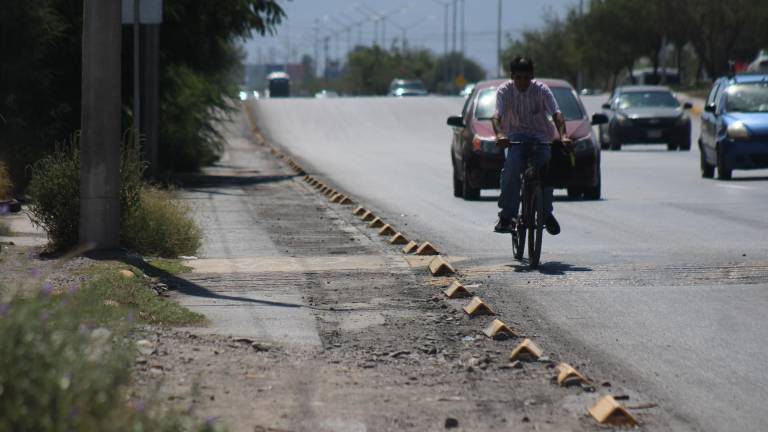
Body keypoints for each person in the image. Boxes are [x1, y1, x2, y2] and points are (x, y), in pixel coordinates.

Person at [491, 56, 570, 235]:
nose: (523, 82)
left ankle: (546, 214)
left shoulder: (541, 90)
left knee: (547, 170)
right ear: (512, 77)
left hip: (540, 138)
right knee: (511, 168)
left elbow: (556, 113)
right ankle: (507, 216)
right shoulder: (504, 91)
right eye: (518, 78)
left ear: (532, 76)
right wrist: (501, 135)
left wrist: (564, 136)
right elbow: (496, 116)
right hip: (515, 139)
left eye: (527, 78)